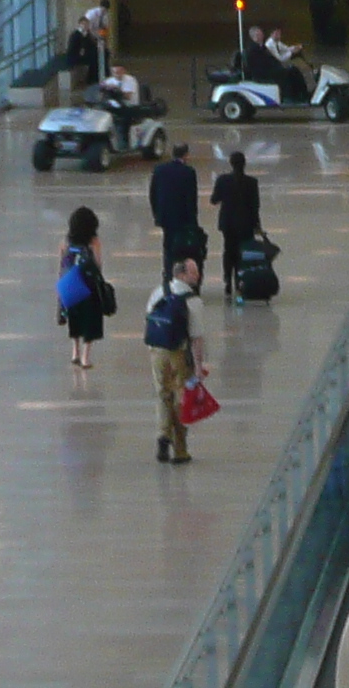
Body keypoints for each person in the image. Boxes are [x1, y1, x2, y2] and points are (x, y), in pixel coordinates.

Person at [144, 271, 208, 464]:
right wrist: (198, 366)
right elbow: (196, 337)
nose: (197, 276)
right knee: (181, 399)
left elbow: (149, 320)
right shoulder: (193, 301)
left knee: (163, 394)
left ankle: (163, 434)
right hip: (179, 354)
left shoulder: (158, 292)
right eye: (193, 272)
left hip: (157, 351)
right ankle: (180, 450)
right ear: (182, 274)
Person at [57, 206, 106, 370]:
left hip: (69, 285)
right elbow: (98, 265)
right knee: (90, 320)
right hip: (87, 285)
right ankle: (85, 357)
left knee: (74, 318)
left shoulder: (65, 241)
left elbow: (61, 263)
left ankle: (75, 351)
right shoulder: (94, 242)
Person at [211, 148, 262, 304]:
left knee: (229, 251)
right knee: (243, 254)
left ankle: (227, 281)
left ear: (230, 164)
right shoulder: (252, 182)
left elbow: (214, 200)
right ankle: (241, 282)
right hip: (246, 225)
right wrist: (257, 226)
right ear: (244, 164)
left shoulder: (223, 180)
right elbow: (255, 206)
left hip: (228, 224)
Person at [149, 139, 201, 282]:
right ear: (186, 155)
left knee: (168, 247)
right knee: (183, 249)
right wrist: (193, 221)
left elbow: (153, 194)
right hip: (183, 219)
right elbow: (191, 198)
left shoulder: (159, 169)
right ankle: (181, 276)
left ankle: (168, 274)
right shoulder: (189, 172)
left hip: (165, 217)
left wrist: (157, 214)